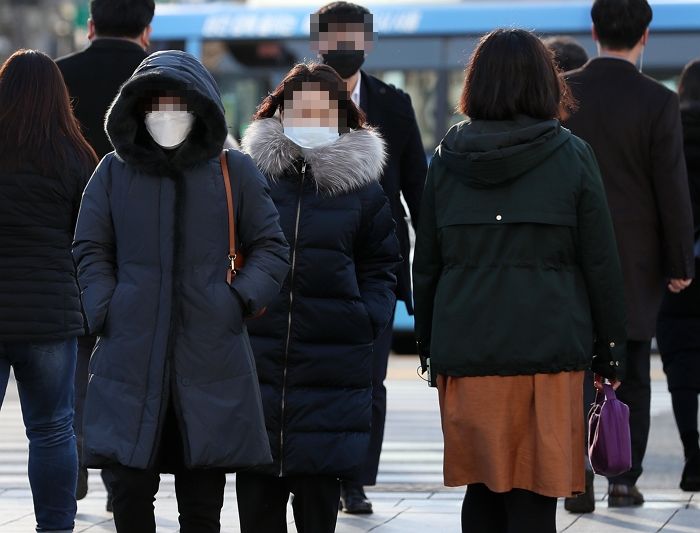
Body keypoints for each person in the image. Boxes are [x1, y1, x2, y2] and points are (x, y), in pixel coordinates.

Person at [413, 29, 628, 533]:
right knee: (536, 495)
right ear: (544, 83)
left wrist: (430, 349)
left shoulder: (447, 160)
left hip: (467, 354)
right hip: (549, 354)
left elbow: (428, 264)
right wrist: (610, 353)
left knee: (481, 491)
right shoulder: (572, 156)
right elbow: (600, 262)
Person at [72, 50, 290, 533]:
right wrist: (105, 304)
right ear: (137, 110)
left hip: (210, 361)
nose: (166, 117)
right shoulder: (112, 172)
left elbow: (271, 247)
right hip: (130, 360)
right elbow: (90, 247)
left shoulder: (234, 170)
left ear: (201, 110)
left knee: (201, 505)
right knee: (128, 496)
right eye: (155, 107)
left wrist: (236, 299)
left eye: (178, 106)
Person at [238, 62, 401, 533]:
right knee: (257, 510)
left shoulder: (362, 190)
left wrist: (366, 316)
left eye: (321, 109)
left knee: (317, 514)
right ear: (280, 112)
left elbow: (381, 265)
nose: (309, 118)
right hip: (259, 363)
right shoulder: (254, 180)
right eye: (298, 108)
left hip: (332, 368)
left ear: (342, 116)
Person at [564, 0, 695, 508]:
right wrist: (680, 262)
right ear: (646, 35)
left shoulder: (565, 91)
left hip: (571, 257)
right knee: (633, 369)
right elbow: (672, 191)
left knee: (575, 370)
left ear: (593, 30)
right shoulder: (657, 101)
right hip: (635, 262)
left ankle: (577, 481)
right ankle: (623, 478)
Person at [310, 1, 427, 514]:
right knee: (317, 373)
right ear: (319, 41)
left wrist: (429, 267)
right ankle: (317, 471)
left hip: (376, 263)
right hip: (312, 260)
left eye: (353, 36)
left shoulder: (394, 103)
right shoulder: (297, 100)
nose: (343, 45)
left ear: (368, 42)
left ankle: (355, 480)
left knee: (369, 380)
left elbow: (419, 191)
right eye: (334, 36)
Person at [56, 0, 154, 505]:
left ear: (91, 25)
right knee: (131, 375)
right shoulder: (159, 82)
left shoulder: (56, 78)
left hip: (67, 248)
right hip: (144, 247)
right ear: (147, 29)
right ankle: (124, 485)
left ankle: (69, 473)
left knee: (73, 367)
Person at [0, 49, 98, 533]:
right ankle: (56, 526)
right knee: (53, 428)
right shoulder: (77, 157)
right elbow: (87, 239)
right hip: (50, 314)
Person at [656, 58, 700, 492]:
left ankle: (693, 455)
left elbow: (666, 197)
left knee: (681, 364)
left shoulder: (670, 131)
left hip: (677, 270)